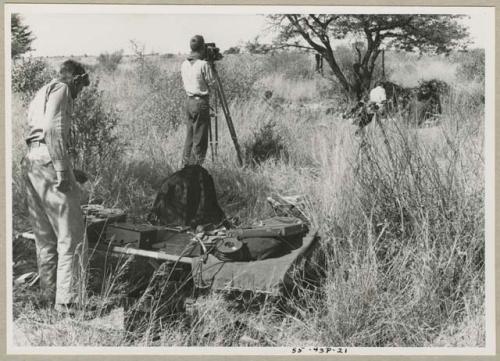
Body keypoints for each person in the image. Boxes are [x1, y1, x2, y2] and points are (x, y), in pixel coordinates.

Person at [22, 59, 90, 312]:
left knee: (45, 239)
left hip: (32, 163)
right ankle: (68, 303)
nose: (80, 93)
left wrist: (71, 169)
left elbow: (36, 131)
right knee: (71, 238)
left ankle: (48, 296)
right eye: (81, 87)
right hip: (50, 164)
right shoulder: (62, 88)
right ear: (75, 79)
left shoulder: (43, 90)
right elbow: (52, 129)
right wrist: (62, 169)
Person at [180, 35, 215, 166]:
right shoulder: (203, 64)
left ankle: (185, 165)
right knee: (200, 139)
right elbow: (213, 84)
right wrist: (211, 67)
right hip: (200, 103)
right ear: (202, 48)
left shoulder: (184, 64)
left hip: (189, 103)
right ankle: (195, 170)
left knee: (189, 137)